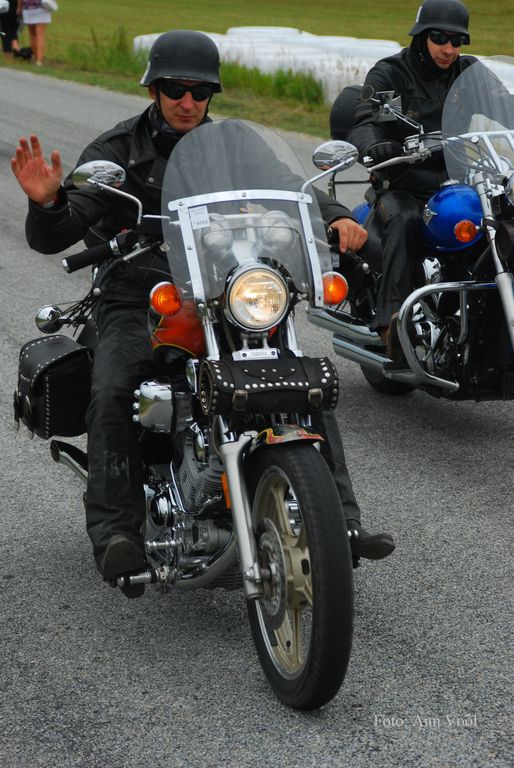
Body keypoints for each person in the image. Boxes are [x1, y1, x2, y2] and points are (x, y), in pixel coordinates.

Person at [11, 30, 395, 598]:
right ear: (154, 89)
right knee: (115, 387)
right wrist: (49, 203)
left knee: (297, 378)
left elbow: (289, 187)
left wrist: (334, 214)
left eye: (199, 91)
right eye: (175, 89)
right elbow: (62, 229)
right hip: (141, 294)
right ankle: (117, 532)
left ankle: (340, 519)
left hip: (225, 288)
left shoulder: (234, 144)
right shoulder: (117, 150)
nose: (187, 101)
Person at [347, 0, 478, 361]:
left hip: (456, 186)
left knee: (500, 217)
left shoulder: (469, 73)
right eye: (440, 38)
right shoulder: (391, 73)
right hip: (402, 184)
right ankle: (392, 322)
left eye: (457, 40)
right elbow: (364, 121)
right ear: (421, 37)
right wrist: (375, 145)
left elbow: (506, 105)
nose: (449, 49)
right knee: (405, 219)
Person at [21, 0, 52, 66]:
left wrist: (19, 7)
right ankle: (39, 60)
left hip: (27, 8)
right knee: (40, 35)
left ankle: (36, 57)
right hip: (41, 7)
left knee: (32, 35)